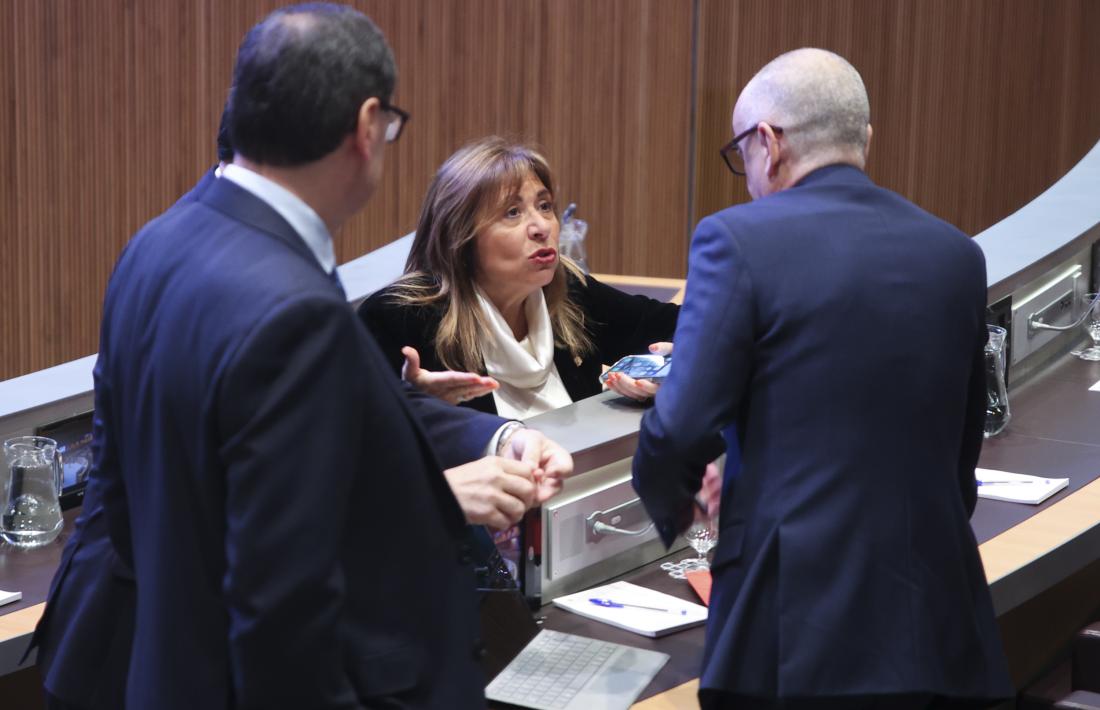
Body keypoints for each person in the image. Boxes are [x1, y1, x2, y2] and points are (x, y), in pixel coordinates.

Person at [32, 5, 570, 710]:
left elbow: (199, 470)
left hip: (145, 655)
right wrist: (434, 499)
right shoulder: (293, 307)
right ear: (366, 126)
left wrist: (495, 434)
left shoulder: (159, 243)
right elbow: (283, 602)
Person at [632, 48, 1013, 709]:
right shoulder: (956, 255)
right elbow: (961, 455)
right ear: (866, 139)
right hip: (938, 623)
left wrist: (679, 502)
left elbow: (680, 423)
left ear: (768, 143)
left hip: (795, 632)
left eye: (742, 156)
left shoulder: (737, 240)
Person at [358, 137, 680, 417]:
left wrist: (669, 369)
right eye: (512, 212)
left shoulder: (568, 290)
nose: (541, 227)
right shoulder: (399, 319)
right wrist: (411, 414)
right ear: (461, 236)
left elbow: (688, 327)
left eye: (545, 206)